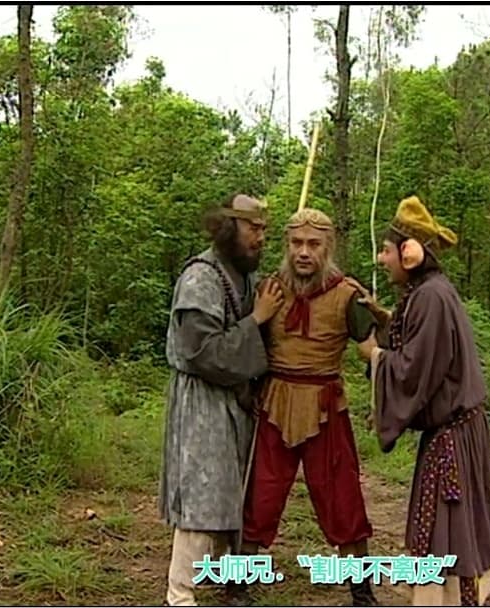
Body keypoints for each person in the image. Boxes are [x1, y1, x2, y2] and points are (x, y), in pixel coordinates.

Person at [356, 195, 490, 606]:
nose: (381, 259)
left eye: (386, 250)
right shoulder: (431, 292)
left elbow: (415, 368)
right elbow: (425, 342)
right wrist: (386, 318)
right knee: (450, 531)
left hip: (451, 441)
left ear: (408, 253)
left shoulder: (430, 297)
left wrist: (375, 356)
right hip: (459, 435)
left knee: (446, 534)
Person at [238, 207, 380, 606]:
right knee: (259, 496)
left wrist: (387, 386)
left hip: (326, 408)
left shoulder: (348, 295)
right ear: (287, 244)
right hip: (275, 403)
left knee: (343, 498)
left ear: (327, 247)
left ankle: (361, 591)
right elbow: (245, 343)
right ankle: (237, 583)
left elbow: (370, 351)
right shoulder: (269, 290)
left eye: (313, 244)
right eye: (297, 243)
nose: (304, 252)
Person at [159, 193, 285, 607]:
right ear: (229, 228)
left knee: (234, 491)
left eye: (264, 230)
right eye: (253, 228)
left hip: (234, 400)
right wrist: (257, 318)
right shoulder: (200, 278)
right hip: (203, 400)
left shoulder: (243, 276)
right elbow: (202, 352)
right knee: (204, 492)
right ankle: (180, 594)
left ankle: (225, 578)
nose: (260, 238)